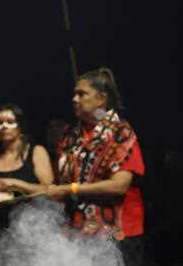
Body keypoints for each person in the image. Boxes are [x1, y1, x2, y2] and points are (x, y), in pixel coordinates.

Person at [48, 68, 144, 243]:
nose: (74, 99)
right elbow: (60, 186)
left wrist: (72, 189)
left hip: (116, 233)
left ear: (101, 99)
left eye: (82, 94)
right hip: (78, 229)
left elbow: (119, 186)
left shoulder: (120, 133)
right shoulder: (70, 136)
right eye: (74, 94)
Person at [0, 103, 54, 195]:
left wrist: (16, 184)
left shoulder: (36, 152)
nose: (4, 126)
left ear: (20, 127)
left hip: (33, 204)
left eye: (10, 122)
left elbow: (50, 191)